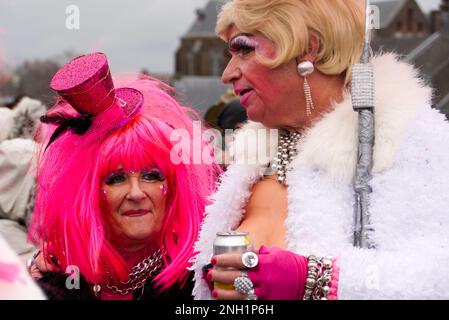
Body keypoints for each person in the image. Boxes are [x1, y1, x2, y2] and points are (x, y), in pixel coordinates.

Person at [193, 0, 449, 300]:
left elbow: (438, 276)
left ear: (308, 48)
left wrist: (316, 280)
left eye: (244, 50)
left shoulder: (408, 137)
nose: (227, 74)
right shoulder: (250, 160)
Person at [28, 52, 219, 300]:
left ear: (173, 185)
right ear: (90, 192)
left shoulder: (203, 278)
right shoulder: (58, 276)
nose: (136, 193)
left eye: (151, 176)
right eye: (116, 179)